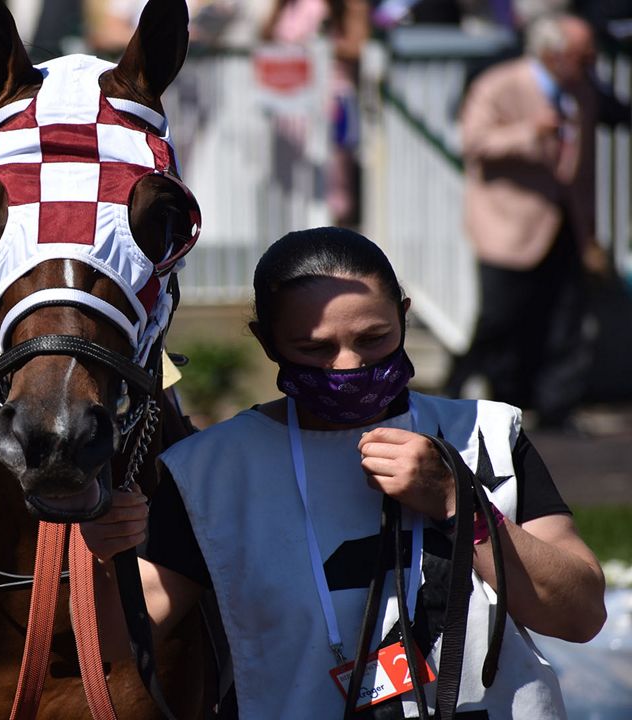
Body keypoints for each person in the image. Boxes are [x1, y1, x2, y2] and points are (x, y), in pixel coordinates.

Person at [81, 227, 606, 717]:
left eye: (374, 337)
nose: (349, 366)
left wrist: (456, 502)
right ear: (266, 342)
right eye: (314, 348)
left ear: (403, 314)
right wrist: (108, 560)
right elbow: (118, 640)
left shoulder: (483, 431)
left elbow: (580, 616)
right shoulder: (212, 470)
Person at [444, 14, 608, 429]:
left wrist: (588, 232)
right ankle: (489, 398)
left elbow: (582, 170)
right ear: (553, 54)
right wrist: (527, 131)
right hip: (509, 226)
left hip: (565, 224)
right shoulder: (500, 83)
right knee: (500, 318)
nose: (592, 60)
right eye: (581, 53)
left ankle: (557, 408)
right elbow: (473, 141)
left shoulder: (583, 91)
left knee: (565, 319)